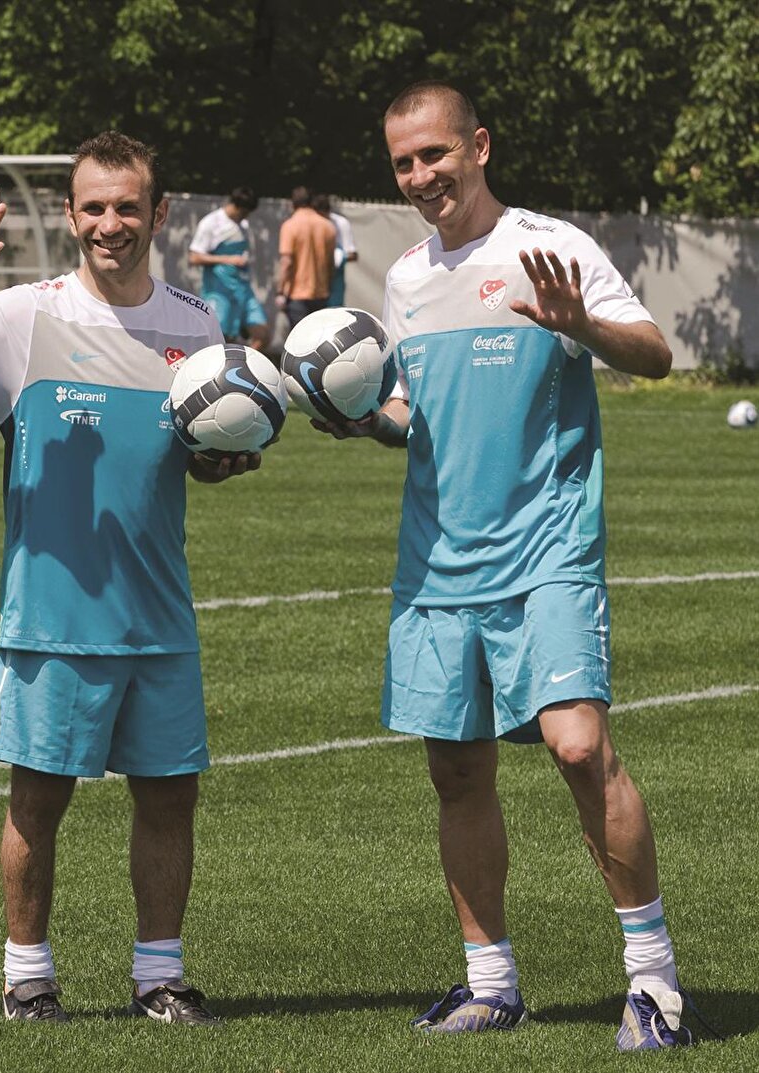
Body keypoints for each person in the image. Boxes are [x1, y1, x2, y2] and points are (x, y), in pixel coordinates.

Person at [312, 81, 691, 1051]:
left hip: (546, 554)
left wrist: (583, 325)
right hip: (438, 567)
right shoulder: (403, 279)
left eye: (435, 154)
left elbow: (655, 353)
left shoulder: (547, 245)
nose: (420, 175)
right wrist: (364, 417)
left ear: (479, 145)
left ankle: (652, 982)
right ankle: (492, 980)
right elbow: (417, 419)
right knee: (457, 771)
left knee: (577, 745)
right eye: (403, 162)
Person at [0, 131, 260, 1026]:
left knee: (170, 799)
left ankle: (159, 977)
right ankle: (28, 979)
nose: (110, 223)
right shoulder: (25, 318)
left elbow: (194, 459)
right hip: (52, 620)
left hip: (161, 618)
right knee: (37, 801)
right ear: (70, 213)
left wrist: (223, 457)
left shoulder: (195, 325)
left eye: (128, 206)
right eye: (93, 206)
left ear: (159, 214)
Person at [188, 185, 269, 352]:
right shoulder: (211, 223)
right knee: (222, 341)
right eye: (245, 212)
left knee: (262, 334)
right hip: (219, 291)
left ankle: (248, 367)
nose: (247, 217)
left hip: (242, 289)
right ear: (237, 206)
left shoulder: (243, 225)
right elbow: (194, 257)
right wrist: (227, 259)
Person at [275, 186, 336, 329]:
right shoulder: (328, 226)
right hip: (321, 294)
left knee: (298, 344)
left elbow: (286, 263)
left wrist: (280, 291)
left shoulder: (290, 225)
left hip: (297, 295)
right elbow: (331, 264)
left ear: (292, 203)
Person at [312, 193, 359, 308]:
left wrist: (337, 257)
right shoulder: (310, 224)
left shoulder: (340, 223)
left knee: (333, 312)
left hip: (335, 277)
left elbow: (353, 254)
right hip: (313, 278)